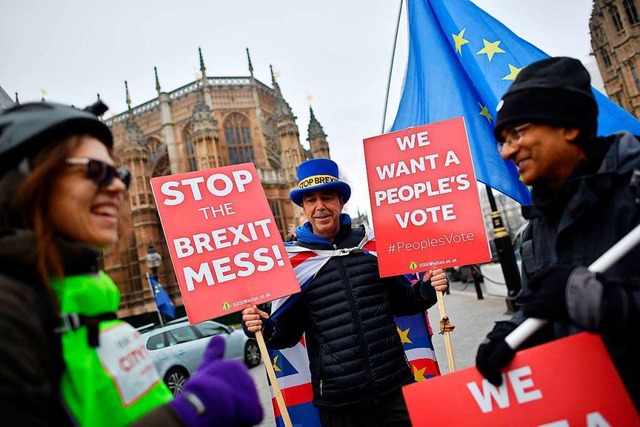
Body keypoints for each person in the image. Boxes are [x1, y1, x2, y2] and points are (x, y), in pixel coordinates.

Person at [0, 101, 263, 426]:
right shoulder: (9, 309)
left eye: (119, 173)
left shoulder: (89, 297)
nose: (117, 186)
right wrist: (190, 411)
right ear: (28, 180)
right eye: (94, 170)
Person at [475, 57, 640, 409]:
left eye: (516, 133)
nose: (506, 151)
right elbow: (540, 305)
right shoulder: (536, 229)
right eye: (502, 140)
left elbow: (575, 298)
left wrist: (594, 300)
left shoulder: (634, 189)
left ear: (568, 125)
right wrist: (511, 335)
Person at [242, 158, 448, 426]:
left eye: (326, 197)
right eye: (311, 200)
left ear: (340, 201)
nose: (320, 207)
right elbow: (287, 334)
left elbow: (403, 302)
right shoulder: (295, 263)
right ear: (303, 208)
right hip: (339, 402)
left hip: (394, 388)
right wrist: (260, 326)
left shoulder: (370, 248)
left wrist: (429, 287)